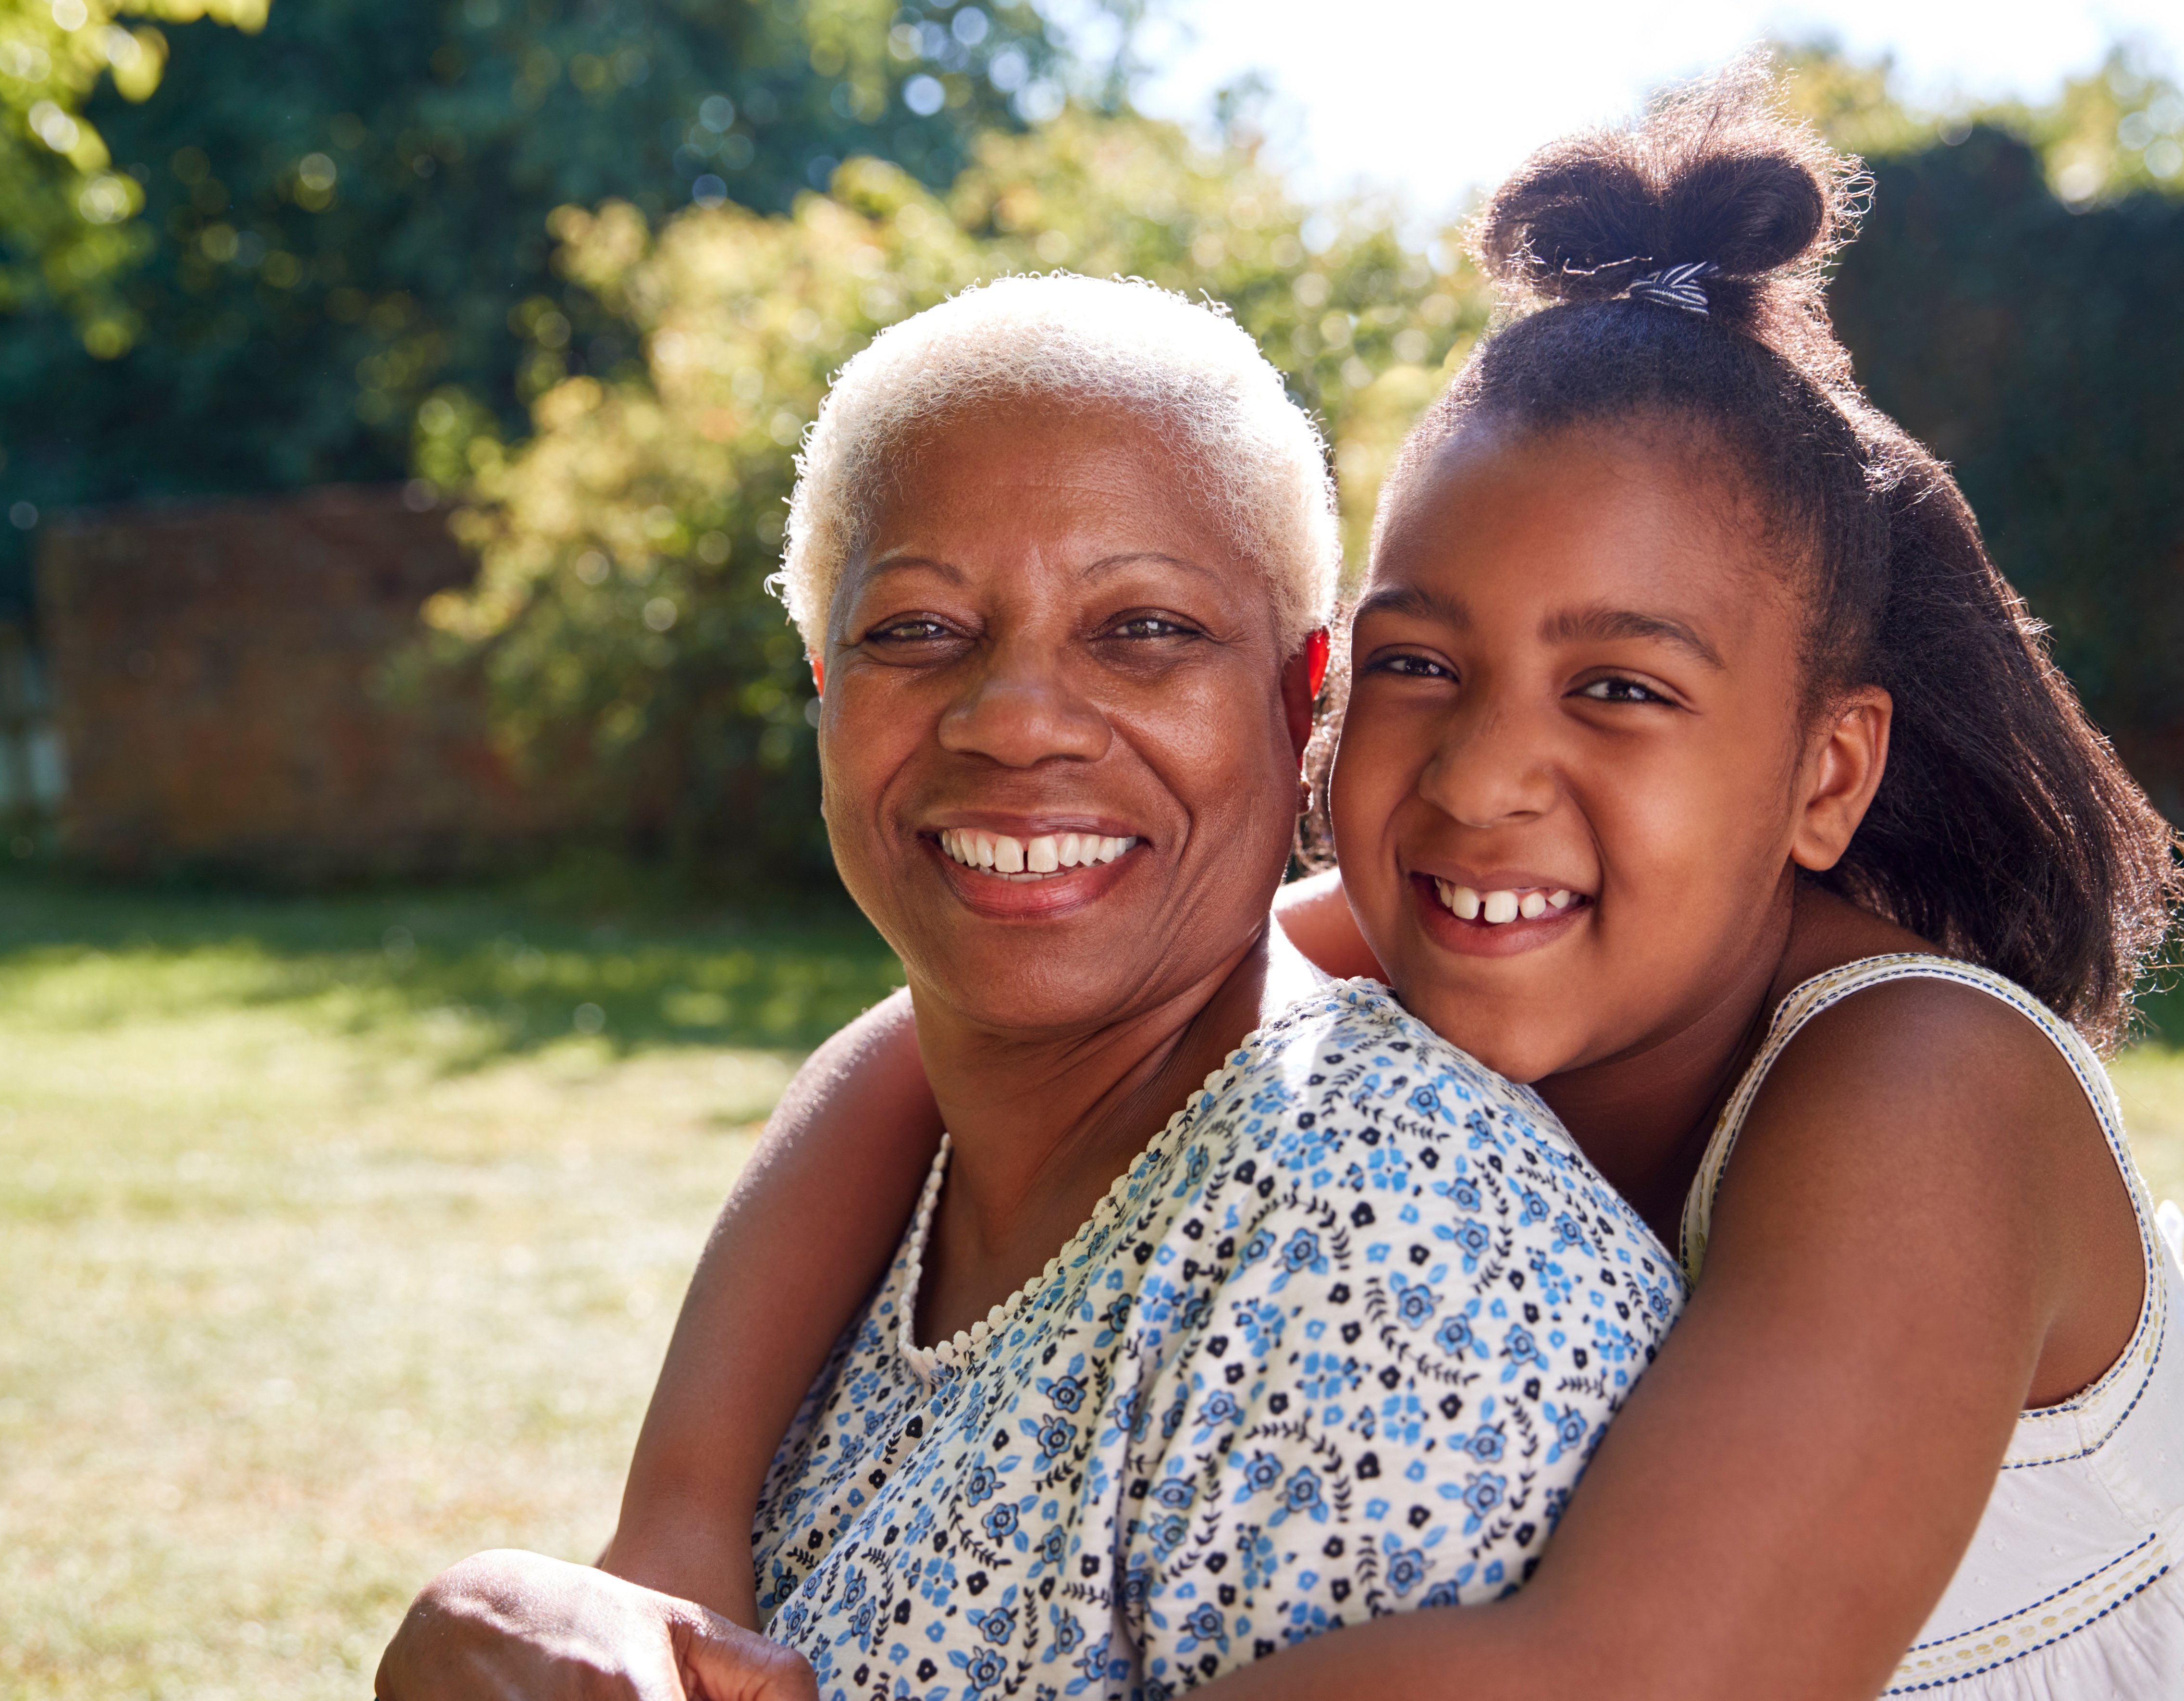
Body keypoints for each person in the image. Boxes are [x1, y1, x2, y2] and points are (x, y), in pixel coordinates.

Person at [510, 64, 2184, 1699]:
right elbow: (907, 1053)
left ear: (1824, 772)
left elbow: (1619, 1673)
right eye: (1418, 664)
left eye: (1618, 689)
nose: (1479, 777)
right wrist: (677, 1527)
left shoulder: (1921, 1087)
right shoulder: (1435, 922)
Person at [377, 274, 1680, 1701]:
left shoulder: (1380, 1245)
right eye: (918, 630)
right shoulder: (906, 1170)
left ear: (1303, 697)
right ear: (823, 679)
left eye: (1143, 629)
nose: (1013, 721)